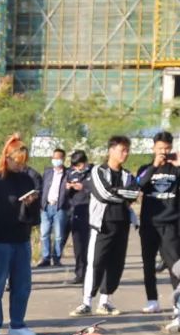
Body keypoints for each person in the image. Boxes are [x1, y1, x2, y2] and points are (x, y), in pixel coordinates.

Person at [0, 135, 40, 335]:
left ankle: (17, 324)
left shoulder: (27, 179)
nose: (20, 166)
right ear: (7, 158)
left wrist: (31, 204)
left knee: (22, 285)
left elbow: (35, 216)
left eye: (23, 162)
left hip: (21, 239)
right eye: (17, 161)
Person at [71, 136, 139, 316]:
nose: (125, 154)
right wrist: (124, 194)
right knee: (96, 262)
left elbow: (134, 193)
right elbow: (104, 194)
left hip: (122, 223)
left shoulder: (127, 175)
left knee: (116, 264)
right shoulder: (98, 171)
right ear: (111, 150)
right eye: (122, 150)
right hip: (102, 224)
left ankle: (105, 301)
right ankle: (86, 302)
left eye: (127, 150)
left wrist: (120, 193)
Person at [135, 131, 179, 314]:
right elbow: (139, 184)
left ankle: (178, 304)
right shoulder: (145, 168)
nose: (163, 151)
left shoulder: (176, 169)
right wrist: (154, 166)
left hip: (170, 224)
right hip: (149, 224)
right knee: (148, 263)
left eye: (167, 148)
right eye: (160, 148)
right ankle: (152, 300)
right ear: (153, 148)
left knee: (175, 265)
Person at [63, 150, 92, 285]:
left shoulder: (93, 172)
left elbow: (98, 190)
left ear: (85, 162)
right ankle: (80, 273)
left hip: (90, 211)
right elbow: (65, 193)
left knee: (90, 245)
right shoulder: (70, 173)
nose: (78, 168)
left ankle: (91, 273)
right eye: (75, 166)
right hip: (76, 211)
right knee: (78, 245)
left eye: (80, 165)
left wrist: (84, 187)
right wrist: (68, 188)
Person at [37, 148, 69, 267]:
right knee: (44, 234)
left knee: (59, 235)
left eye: (58, 158)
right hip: (46, 207)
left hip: (59, 207)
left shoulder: (68, 174)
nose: (55, 160)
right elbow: (42, 187)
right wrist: (41, 204)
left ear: (63, 159)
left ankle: (56, 258)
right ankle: (45, 258)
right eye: (54, 158)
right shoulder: (48, 172)